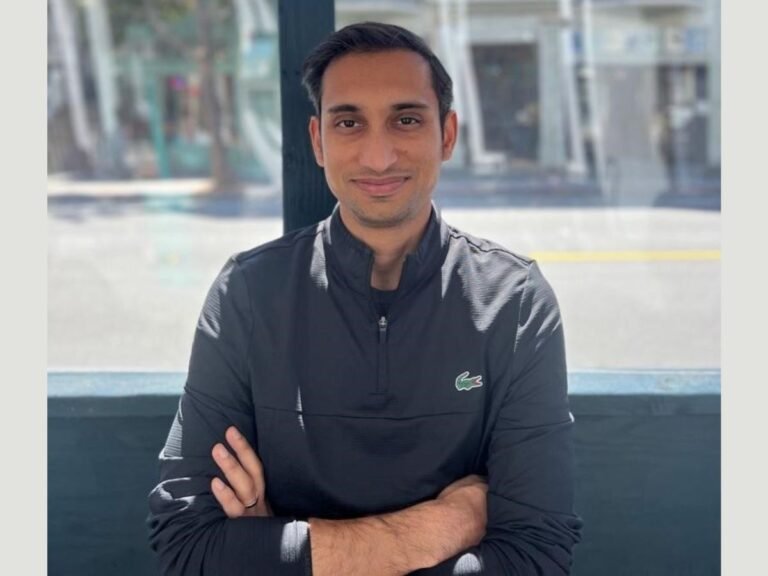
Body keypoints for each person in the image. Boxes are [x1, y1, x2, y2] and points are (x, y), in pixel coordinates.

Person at [148, 21, 582, 575]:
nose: (378, 157)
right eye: (349, 122)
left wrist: (279, 548)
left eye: (406, 120)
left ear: (447, 135)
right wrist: (449, 522)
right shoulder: (249, 294)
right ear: (318, 141)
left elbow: (536, 556)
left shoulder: (514, 303)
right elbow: (187, 546)